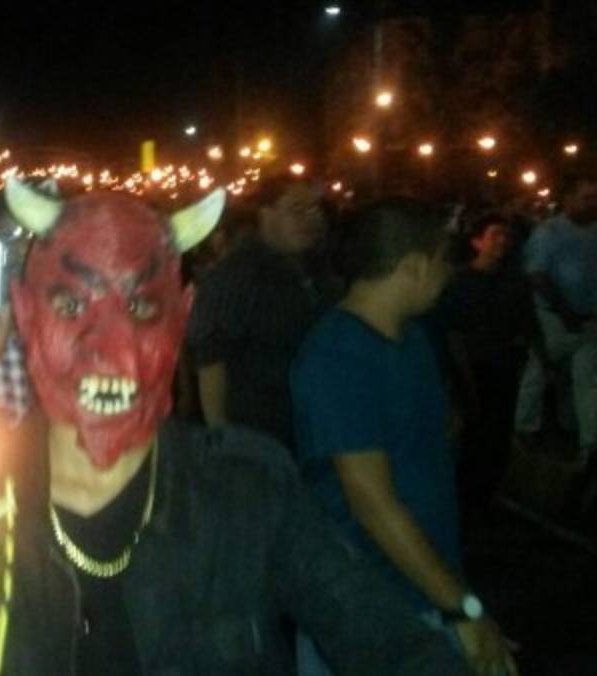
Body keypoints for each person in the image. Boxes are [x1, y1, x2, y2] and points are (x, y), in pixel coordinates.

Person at [0, 179, 465, 674]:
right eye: (71, 306)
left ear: (181, 320)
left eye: (139, 308)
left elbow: (388, 639)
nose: (109, 349)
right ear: (27, 318)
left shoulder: (248, 488)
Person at [291, 198, 517, 676]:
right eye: (442, 261)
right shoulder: (338, 356)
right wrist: (463, 609)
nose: (449, 273)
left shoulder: (411, 339)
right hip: (366, 610)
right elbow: (373, 504)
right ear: (414, 267)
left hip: (426, 591)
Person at [187, 177, 337, 445]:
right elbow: (211, 360)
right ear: (265, 213)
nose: (309, 219)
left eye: (314, 210)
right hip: (259, 434)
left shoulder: (315, 270)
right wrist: (222, 436)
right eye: (296, 210)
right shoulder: (237, 276)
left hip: (309, 429)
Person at [439, 213, 535, 525]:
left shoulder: (513, 283)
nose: (502, 242)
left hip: (502, 367)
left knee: (498, 437)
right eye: (495, 235)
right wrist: (461, 372)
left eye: (506, 236)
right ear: (477, 241)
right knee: (472, 437)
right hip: (472, 369)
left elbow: (523, 324)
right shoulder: (461, 283)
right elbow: (453, 331)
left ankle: (486, 498)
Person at [514, 179, 597, 462]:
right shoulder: (549, 232)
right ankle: (524, 430)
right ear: (568, 199)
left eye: (596, 198)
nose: (592, 204)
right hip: (553, 319)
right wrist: (563, 309)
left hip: (592, 319)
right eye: (586, 198)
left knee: (589, 383)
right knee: (538, 374)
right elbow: (536, 275)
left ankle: (592, 444)